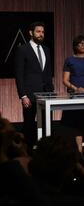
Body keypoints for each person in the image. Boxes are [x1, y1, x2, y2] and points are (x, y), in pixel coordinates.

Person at [14, 21, 54, 152]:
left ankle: (46, 153)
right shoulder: (22, 49)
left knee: (47, 125)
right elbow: (19, 74)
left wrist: (51, 92)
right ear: (31, 33)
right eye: (38, 31)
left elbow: (47, 73)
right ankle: (27, 154)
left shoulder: (46, 49)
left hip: (46, 95)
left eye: (42, 32)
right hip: (30, 95)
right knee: (29, 126)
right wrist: (23, 95)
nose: (41, 34)